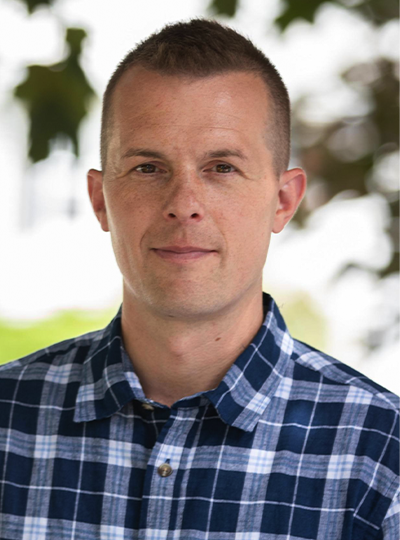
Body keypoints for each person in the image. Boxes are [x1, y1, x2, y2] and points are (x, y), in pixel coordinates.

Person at [0, 19, 399, 540]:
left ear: (283, 201)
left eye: (221, 168)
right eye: (148, 168)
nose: (183, 205)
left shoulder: (381, 458)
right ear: (100, 200)